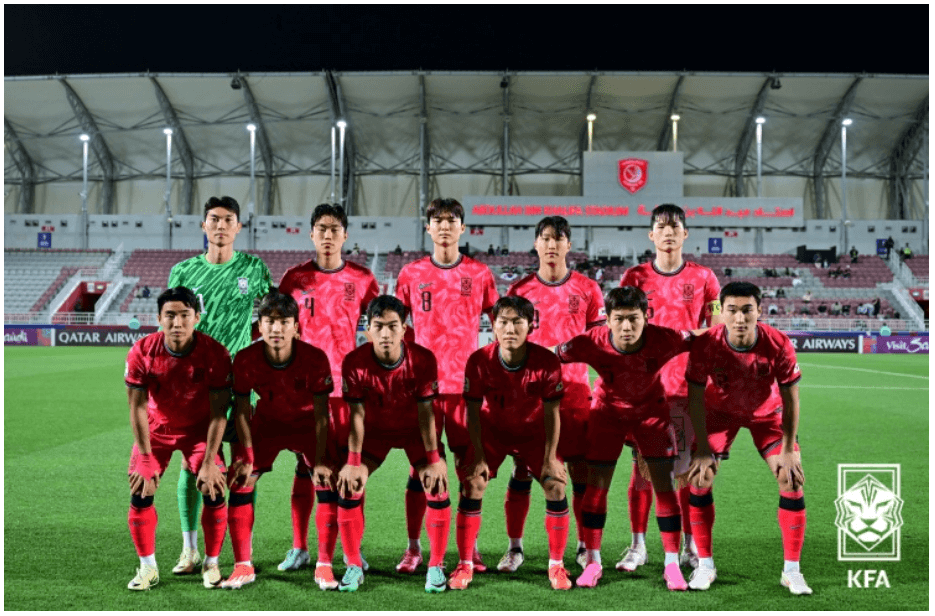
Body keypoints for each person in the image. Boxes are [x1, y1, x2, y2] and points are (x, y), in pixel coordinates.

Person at [557, 286, 699, 591]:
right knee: (596, 489)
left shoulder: (665, 338)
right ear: (606, 319)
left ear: (646, 317)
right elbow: (551, 355)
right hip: (607, 416)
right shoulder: (589, 341)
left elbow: (702, 338)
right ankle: (593, 562)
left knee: (664, 487)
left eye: (633, 318)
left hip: (652, 414)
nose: (626, 326)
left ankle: (672, 564)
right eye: (619, 318)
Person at [166, 196, 272, 578]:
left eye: (228, 220)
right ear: (203, 225)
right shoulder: (182, 272)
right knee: (192, 462)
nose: (221, 225)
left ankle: (242, 549)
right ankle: (189, 548)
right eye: (214, 219)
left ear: (238, 227)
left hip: (242, 383)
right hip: (196, 385)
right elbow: (173, 329)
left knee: (245, 464)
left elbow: (271, 315)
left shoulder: (254, 268)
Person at [394, 198, 498, 573]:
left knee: (469, 469)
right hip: (422, 392)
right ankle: (413, 547)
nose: (443, 226)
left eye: (451, 220)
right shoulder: (410, 274)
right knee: (419, 469)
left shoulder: (481, 274)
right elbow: (393, 325)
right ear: (428, 228)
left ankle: (470, 549)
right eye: (436, 220)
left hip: (465, 390)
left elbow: (500, 326)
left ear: (462, 227)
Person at [686, 281, 810, 595]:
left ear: (759, 311)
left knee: (791, 479)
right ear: (722, 312)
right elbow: (696, 397)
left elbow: (791, 399)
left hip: (767, 416)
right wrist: (701, 448)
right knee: (698, 478)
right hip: (719, 415)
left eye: (747, 310)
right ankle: (705, 565)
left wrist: (788, 448)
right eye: (732, 310)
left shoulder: (778, 343)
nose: (740, 318)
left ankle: (792, 571)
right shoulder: (707, 345)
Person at [616, 203, 721, 574]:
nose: (668, 232)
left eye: (675, 226)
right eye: (661, 227)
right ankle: (638, 546)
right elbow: (621, 328)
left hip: (690, 389)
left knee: (688, 471)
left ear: (685, 233)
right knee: (641, 470)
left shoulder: (706, 278)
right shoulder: (634, 277)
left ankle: (691, 547)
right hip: (646, 391)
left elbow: (717, 328)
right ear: (651, 235)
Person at [277, 203, 380, 576]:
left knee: (352, 469)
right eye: (321, 228)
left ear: (345, 235)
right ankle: (300, 547)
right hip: (304, 389)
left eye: (334, 229)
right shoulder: (294, 278)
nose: (327, 235)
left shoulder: (364, 279)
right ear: (311, 233)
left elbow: (378, 330)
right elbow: (279, 328)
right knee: (304, 467)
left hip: (348, 389)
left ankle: (353, 549)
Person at [503, 217, 606, 573]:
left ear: (568, 245)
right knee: (521, 468)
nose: (551, 245)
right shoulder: (519, 290)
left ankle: (582, 546)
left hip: (575, 392)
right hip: (529, 396)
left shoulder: (588, 289)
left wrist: (564, 353)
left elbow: (599, 342)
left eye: (558, 239)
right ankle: (515, 548)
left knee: (578, 470)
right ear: (535, 244)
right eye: (545, 238)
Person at [449, 296, 571, 591]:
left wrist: (552, 456)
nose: (510, 328)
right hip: (493, 432)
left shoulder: (547, 361)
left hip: (533, 433)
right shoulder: (479, 360)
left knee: (555, 484)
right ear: (493, 326)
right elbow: (473, 413)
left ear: (531, 325)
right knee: (473, 483)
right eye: (503, 322)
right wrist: (478, 455)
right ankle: (465, 563)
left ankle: (557, 565)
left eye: (517, 322)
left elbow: (553, 414)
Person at [336, 296, 451, 593]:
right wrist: (352, 462)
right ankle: (353, 565)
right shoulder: (354, 362)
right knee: (350, 483)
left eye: (392, 326)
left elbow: (427, 414)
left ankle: (435, 565)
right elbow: (357, 416)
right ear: (368, 330)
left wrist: (434, 458)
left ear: (404, 329)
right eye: (379, 326)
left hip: (414, 432)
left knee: (436, 484)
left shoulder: (423, 359)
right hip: (375, 433)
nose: (386, 334)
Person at [220, 291, 334, 590]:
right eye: (269, 321)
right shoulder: (245, 359)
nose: (276, 329)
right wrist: (244, 455)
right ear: (260, 326)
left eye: (284, 322)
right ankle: (243, 565)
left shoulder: (315, 358)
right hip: (267, 424)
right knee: (241, 481)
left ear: (296, 326)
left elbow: (323, 415)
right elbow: (243, 412)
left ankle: (323, 564)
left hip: (307, 425)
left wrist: (320, 459)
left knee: (326, 481)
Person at [124, 287, 232, 591]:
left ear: (197, 317)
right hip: (156, 433)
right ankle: (148, 568)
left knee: (214, 488)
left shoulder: (216, 354)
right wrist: (145, 458)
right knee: (140, 490)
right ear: (159, 318)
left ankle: (210, 562)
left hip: (200, 432)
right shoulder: (142, 351)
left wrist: (210, 461)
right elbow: (137, 406)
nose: (177, 322)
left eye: (184, 315)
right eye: (170, 315)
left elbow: (218, 412)